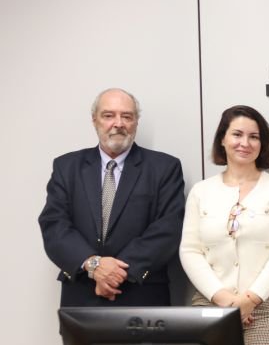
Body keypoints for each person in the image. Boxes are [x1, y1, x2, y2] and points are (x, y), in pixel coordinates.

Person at [179, 105, 269, 345]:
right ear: (222, 139)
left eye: (254, 137)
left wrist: (250, 299)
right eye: (237, 134)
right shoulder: (201, 191)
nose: (245, 143)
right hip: (212, 306)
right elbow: (190, 251)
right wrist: (224, 299)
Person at [39, 88, 185, 306]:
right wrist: (94, 265)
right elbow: (54, 225)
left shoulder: (164, 168)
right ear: (94, 120)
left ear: (136, 122)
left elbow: (168, 228)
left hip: (142, 294)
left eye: (127, 116)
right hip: (82, 293)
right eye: (109, 115)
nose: (118, 123)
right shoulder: (67, 167)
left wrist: (115, 273)